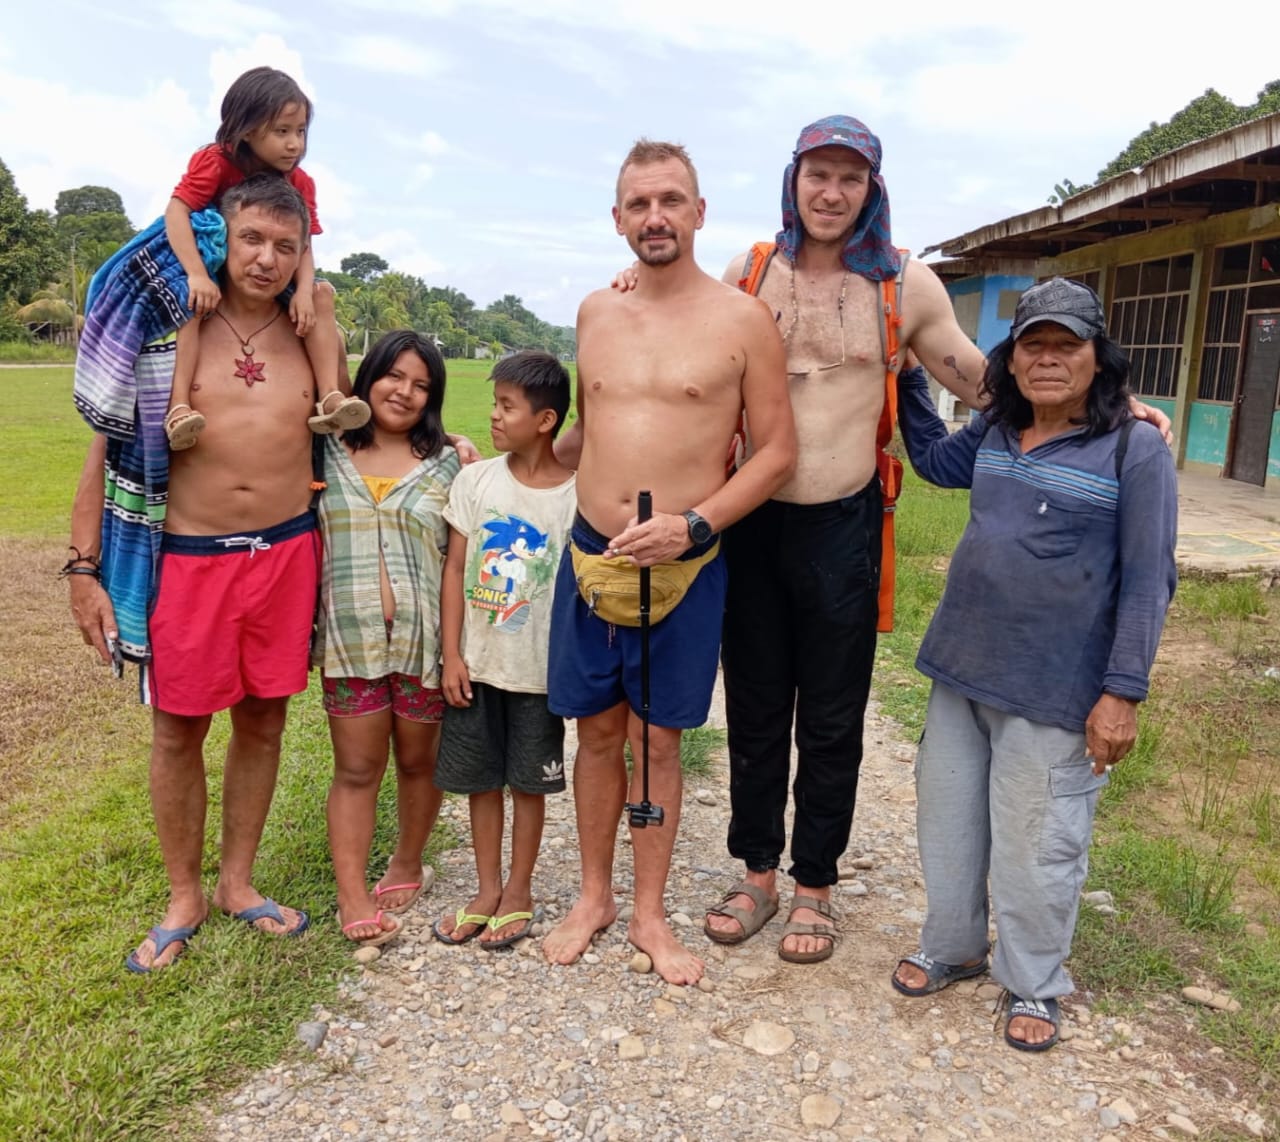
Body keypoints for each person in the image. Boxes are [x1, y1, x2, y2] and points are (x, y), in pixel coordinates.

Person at [687, 115, 1172, 965]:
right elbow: (683, 349)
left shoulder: (904, 286)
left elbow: (987, 379)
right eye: (817, 175)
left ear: (872, 190)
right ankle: (756, 872)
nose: (831, 192)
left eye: (850, 178)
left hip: (843, 523)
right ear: (793, 182)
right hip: (753, 523)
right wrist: (637, 282)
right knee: (755, 709)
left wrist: (1105, 402)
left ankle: (814, 887)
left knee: (832, 718)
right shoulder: (748, 274)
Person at [888, 278, 1177, 1051]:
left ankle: (1033, 981)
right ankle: (954, 948)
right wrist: (909, 377)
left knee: (1036, 844)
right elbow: (933, 462)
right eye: (1033, 345)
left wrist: (1122, 692)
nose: (1048, 359)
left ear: (1097, 358)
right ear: (1010, 361)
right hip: (962, 668)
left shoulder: (1135, 448)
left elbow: (1150, 579)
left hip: (1055, 689)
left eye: (1066, 345)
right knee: (948, 826)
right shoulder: (995, 430)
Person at [544, 139, 796, 985]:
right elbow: (588, 430)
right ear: (618, 219)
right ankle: (594, 897)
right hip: (593, 554)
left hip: (684, 563)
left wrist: (693, 526)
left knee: (658, 737)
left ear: (699, 211)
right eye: (639, 204)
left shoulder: (743, 320)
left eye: (671, 201)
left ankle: (649, 914)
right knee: (595, 732)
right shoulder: (595, 312)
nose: (656, 217)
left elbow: (775, 453)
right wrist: (496, 460)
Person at [68, 176, 327, 972]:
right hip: (188, 559)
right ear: (223, 238)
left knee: (265, 720)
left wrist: (445, 445)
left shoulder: (310, 327)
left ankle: (237, 883)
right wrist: (82, 567)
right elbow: (106, 449)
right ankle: (184, 895)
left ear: (301, 255)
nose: (266, 259)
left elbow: (361, 425)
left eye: (284, 246)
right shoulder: (173, 325)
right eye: (252, 239)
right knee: (178, 728)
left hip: (285, 555)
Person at [316, 331, 460, 946]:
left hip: (422, 645)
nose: (405, 392)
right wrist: (315, 296)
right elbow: (320, 335)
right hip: (349, 642)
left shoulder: (450, 463)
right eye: (393, 376)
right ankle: (352, 894)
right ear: (368, 376)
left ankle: (407, 861)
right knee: (355, 768)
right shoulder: (325, 450)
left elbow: (460, 561)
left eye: (421, 385)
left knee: (418, 761)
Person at [432, 351, 576, 950]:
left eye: (507, 407)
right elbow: (455, 568)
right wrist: (451, 654)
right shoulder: (477, 481)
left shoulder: (575, 496)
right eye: (494, 404)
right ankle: (486, 888)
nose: (494, 415)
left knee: (529, 785)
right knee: (480, 781)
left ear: (545, 421)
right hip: (478, 665)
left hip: (537, 675)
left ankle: (519, 889)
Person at [162, 65, 367, 451]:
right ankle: (179, 404)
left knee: (322, 295)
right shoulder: (215, 161)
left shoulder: (300, 182)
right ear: (246, 130)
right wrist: (196, 274)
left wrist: (303, 292)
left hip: (269, 272)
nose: (294, 145)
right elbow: (176, 212)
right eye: (282, 131)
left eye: (301, 131)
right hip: (211, 260)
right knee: (190, 303)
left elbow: (304, 245)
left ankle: (329, 396)